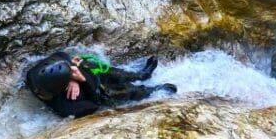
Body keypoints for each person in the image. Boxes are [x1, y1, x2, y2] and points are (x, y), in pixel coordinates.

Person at [25, 51, 177, 118]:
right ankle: (151, 90)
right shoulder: (66, 108)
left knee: (110, 72)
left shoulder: (34, 75)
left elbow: (62, 55)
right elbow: (95, 103)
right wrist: (82, 81)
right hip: (93, 92)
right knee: (118, 92)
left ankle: (141, 75)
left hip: (84, 75)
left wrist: (72, 77)